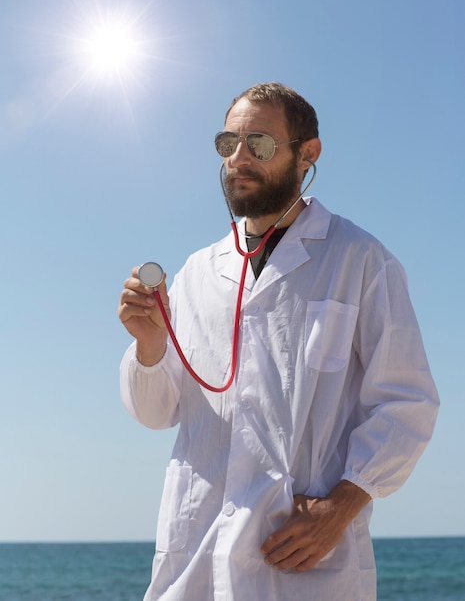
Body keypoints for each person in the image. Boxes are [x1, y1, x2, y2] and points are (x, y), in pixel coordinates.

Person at [118, 82, 439, 601]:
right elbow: (157, 413)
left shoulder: (360, 260)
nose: (239, 158)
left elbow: (408, 402)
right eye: (228, 144)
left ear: (307, 154)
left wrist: (343, 505)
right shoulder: (198, 272)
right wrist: (150, 344)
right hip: (194, 559)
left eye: (260, 145)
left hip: (302, 562)